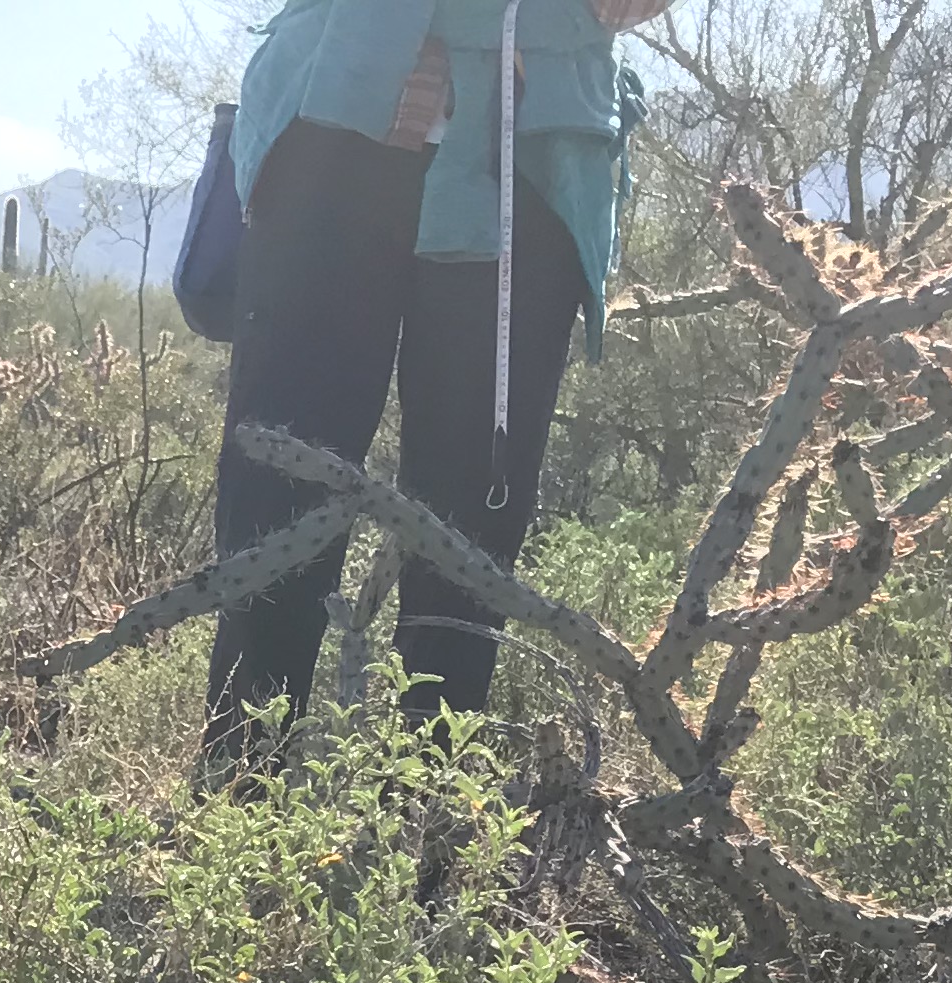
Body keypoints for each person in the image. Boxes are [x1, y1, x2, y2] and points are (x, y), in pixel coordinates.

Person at [201, 0, 659, 762]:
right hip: (335, 112)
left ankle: (431, 834)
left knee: (473, 521)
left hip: (532, 134)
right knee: (276, 488)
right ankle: (237, 807)